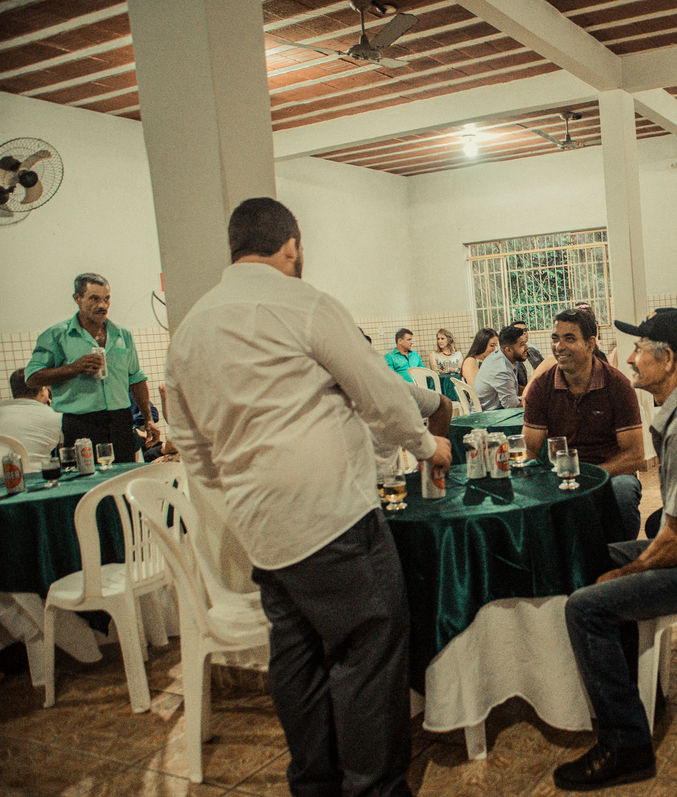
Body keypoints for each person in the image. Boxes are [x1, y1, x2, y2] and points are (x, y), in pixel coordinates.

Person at [166, 197, 451, 797]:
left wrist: (246, 496)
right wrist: (428, 448)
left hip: (263, 533)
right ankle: (372, 788)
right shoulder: (305, 304)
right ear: (291, 247)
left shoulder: (190, 328)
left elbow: (191, 447)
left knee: (296, 659)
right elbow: (382, 394)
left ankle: (314, 784)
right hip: (333, 519)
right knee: (367, 652)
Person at [554, 308, 677, 792]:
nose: (629, 358)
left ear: (668, 361)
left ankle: (626, 745)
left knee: (586, 607)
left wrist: (625, 578)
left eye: (640, 350)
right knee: (598, 557)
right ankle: (637, 696)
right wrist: (623, 569)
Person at [523, 307, 645, 540]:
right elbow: (529, 448)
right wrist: (539, 480)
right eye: (555, 339)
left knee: (623, 492)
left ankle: (617, 562)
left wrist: (589, 476)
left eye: (570, 339)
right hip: (559, 474)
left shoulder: (617, 385)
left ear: (590, 345)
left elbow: (635, 454)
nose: (559, 347)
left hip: (610, 474)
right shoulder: (542, 386)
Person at [25, 273, 160, 463]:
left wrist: (148, 420)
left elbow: (136, 378)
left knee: (123, 481)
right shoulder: (57, 335)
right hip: (80, 424)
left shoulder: (121, 334)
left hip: (120, 420)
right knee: (87, 484)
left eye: (106, 299)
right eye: (94, 299)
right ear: (77, 299)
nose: (102, 306)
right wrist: (74, 368)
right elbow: (32, 377)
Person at [0, 369, 63, 469]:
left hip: (4, 477)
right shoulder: (56, 415)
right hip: (39, 476)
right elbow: (64, 451)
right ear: (43, 390)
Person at [473, 324, 528, 410]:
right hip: (487, 417)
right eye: (522, 345)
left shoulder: (504, 357)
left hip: (496, 410)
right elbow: (513, 406)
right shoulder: (501, 369)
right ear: (508, 350)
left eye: (525, 343)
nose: (527, 347)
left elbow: (512, 387)